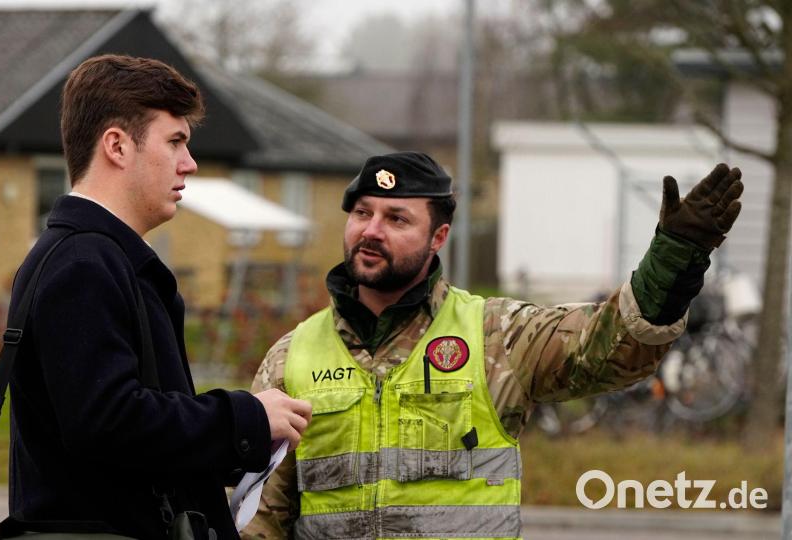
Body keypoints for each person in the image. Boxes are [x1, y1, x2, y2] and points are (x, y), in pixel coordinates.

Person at [241, 151, 742, 539]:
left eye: (396, 219)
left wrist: (673, 259)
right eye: (362, 213)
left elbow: (606, 346)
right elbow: (259, 514)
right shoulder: (292, 356)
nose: (371, 231)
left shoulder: (497, 334)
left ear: (438, 237)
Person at [5, 54, 311, 539]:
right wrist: (245, 419)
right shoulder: (84, 263)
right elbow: (107, 422)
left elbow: (133, 443)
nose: (189, 163)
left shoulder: (97, 256)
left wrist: (242, 444)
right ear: (117, 146)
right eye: (174, 142)